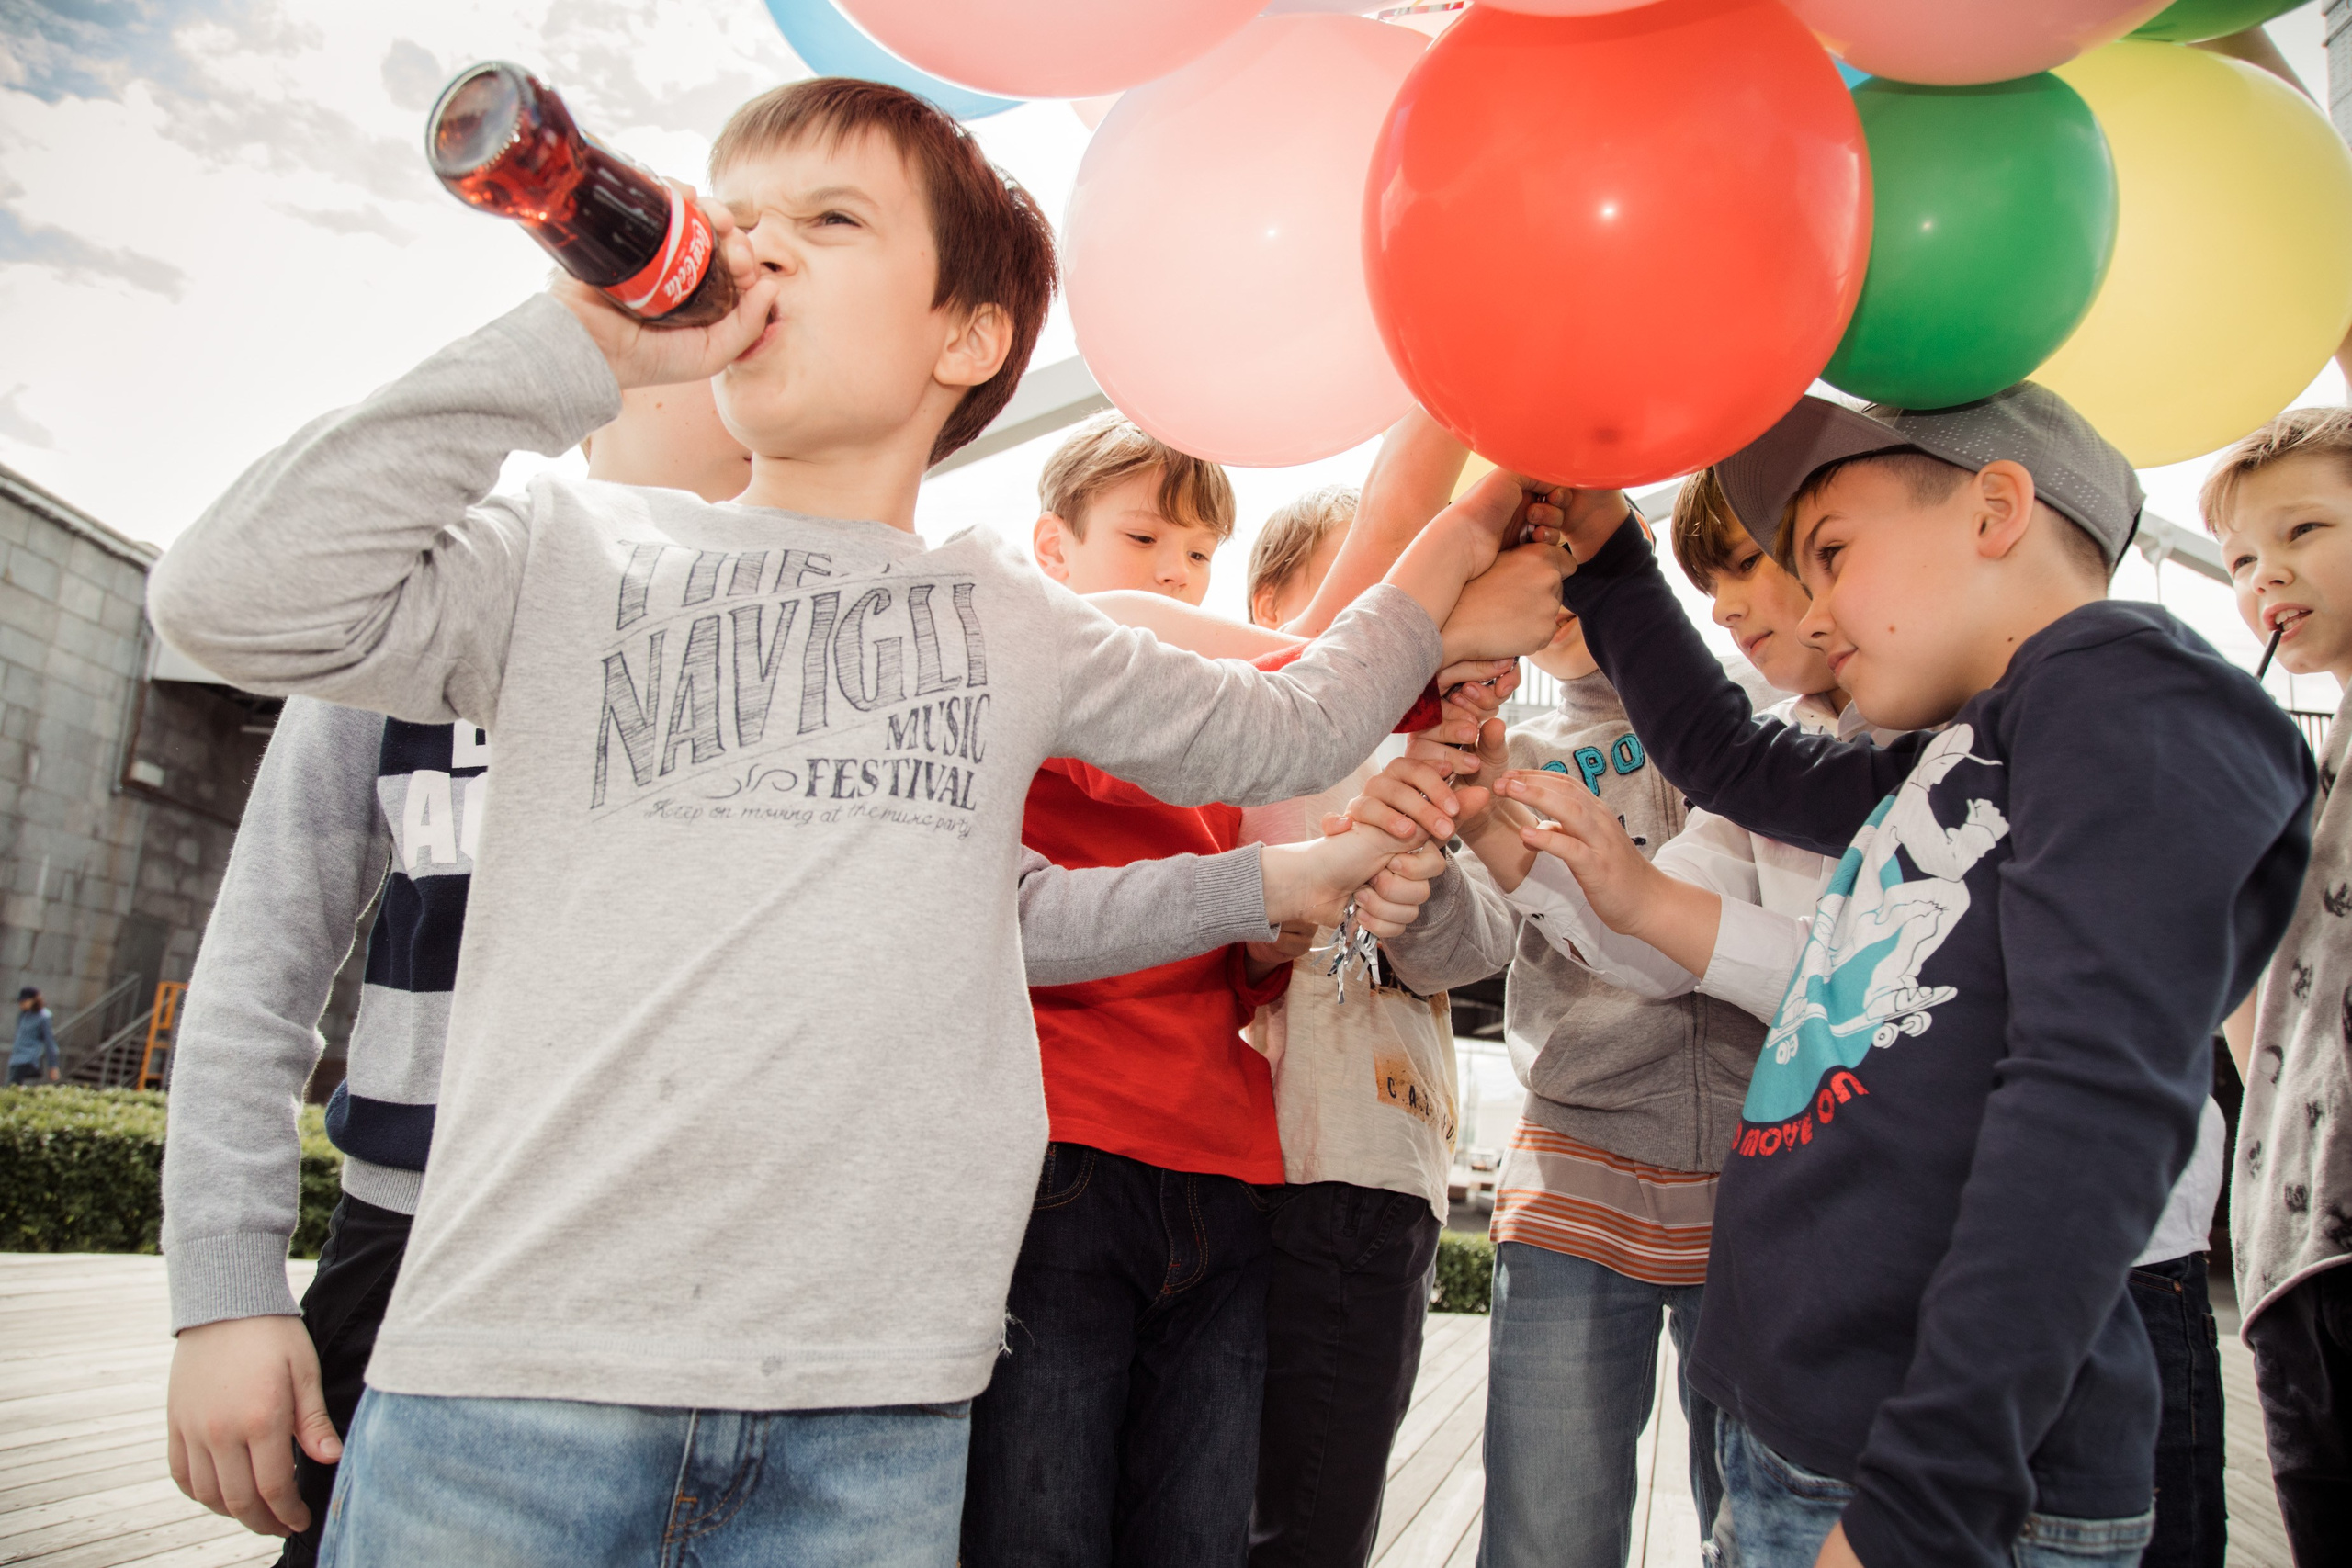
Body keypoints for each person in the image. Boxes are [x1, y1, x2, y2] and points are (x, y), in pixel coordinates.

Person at [144, 76, 1569, 1565]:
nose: (759, 249)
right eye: (739, 215)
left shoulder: (1004, 617)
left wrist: (1470, 531)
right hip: (507, 1392)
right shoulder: (561, 557)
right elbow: (229, 596)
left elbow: (1296, 720)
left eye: (829, 220)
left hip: (866, 1427)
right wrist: (574, 341)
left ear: (970, 338)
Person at [1515, 386, 2311, 1568]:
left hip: (1916, 1493)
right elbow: (1727, 757)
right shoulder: (1958, 755)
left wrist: (1926, 1504)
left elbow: (2090, 1105)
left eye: (1832, 554)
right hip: (1797, 1433)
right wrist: (1612, 557)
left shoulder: (2137, 694)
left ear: (1995, 510)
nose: (1814, 610)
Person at [158, 381, 755, 1560]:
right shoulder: (424, 604)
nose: (744, 349)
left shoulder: (804, 638)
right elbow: (262, 962)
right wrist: (226, 1289)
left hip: (706, 1278)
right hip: (412, 1242)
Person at [966, 414, 1477, 1568]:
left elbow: (1254, 935)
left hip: (1230, 1169)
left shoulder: (1225, 741)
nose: (1173, 571)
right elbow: (1307, 662)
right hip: (1064, 1150)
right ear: (1051, 548)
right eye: (1144, 536)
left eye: (1199, 553)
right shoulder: (1038, 669)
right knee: (1039, 1533)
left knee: (1197, 1539)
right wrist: (1451, 580)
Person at [1344, 591, 1764, 1568]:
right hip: (1577, 1168)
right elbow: (1457, 953)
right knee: (1547, 1535)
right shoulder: (1514, 755)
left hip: (1765, 1176)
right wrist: (1422, 872)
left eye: (1585, 556)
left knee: (1765, 1530)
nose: (1564, 592)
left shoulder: (1756, 720)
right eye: (1536, 567)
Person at [1237, 477, 1471, 1568]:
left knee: (1317, 1503)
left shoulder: (1443, 758)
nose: (1407, 616)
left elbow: (1478, 945)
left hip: (1378, 1162)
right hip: (1260, 1158)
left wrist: (1423, 864)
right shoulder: (1248, 738)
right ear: (1271, 607)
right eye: (1378, 582)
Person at [2207, 406, 2352, 1566]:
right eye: (2239, 559)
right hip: (2287, 1260)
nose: (2265, 575)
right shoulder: (2302, 770)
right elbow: (2266, 1041)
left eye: (2304, 529)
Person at [9, 987, 57, 1085]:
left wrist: (53, 1065)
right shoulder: (23, 1015)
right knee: (11, 1088)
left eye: (24, 1001)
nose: (21, 1004)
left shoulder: (44, 1017)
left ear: (34, 1000)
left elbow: (49, 1042)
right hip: (15, 1059)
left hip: (29, 1060)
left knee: (13, 1087)